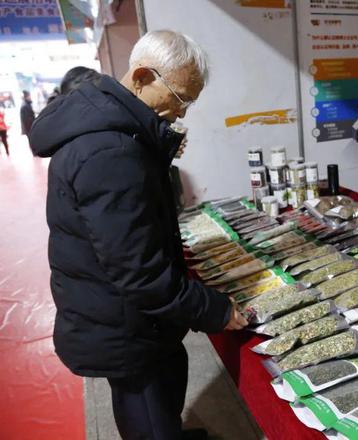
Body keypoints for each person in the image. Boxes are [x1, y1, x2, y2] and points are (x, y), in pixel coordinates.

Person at [29, 30, 247, 440]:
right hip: (125, 326)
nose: (181, 113)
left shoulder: (109, 124)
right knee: (149, 413)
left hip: (122, 315)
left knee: (162, 395)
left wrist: (158, 143)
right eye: (180, 98)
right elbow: (141, 272)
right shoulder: (109, 150)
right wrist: (214, 309)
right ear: (143, 76)